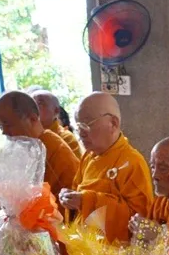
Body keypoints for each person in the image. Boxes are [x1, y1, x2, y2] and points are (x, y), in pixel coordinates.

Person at [56, 92, 152, 243]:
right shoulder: (88, 157)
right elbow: (78, 193)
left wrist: (86, 201)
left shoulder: (132, 162)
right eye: (78, 125)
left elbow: (139, 220)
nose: (81, 132)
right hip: (86, 249)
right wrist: (69, 197)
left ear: (113, 123)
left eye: (86, 125)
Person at [0, 91, 79, 201]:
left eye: (8, 125)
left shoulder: (55, 149)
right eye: (1, 126)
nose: (4, 132)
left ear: (32, 119)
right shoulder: (20, 149)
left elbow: (68, 202)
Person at [31, 89, 84, 159]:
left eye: (40, 104)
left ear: (56, 111)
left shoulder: (66, 138)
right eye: (31, 104)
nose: (33, 108)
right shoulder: (26, 136)